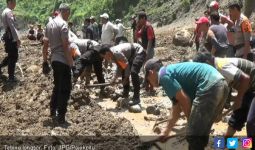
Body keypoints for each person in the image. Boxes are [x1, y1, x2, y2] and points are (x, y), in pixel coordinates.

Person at [144, 58, 229, 150]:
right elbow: (176, 108)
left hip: (209, 85)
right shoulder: (169, 72)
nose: (150, 83)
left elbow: (185, 100)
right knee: (201, 132)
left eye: (147, 80)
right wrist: (166, 131)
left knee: (193, 135)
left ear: (151, 72)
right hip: (221, 83)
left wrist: (190, 124)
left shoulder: (163, 76)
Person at [193, 52, 255, 148]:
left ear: (207, 62)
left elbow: (245, 79)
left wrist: (238, 99)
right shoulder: (217, 69)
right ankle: (223, 144)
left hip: (251, 88)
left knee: (251, 123)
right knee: (235, 120)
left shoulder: (221, 65)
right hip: (248, 89)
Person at [42, 3, 73, 124]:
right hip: (63, 60)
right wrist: (71, 63)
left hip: (54, 60)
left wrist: (45, 61)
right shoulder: (63, 24)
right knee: (65, 88)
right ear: (65, 12)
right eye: (68, 14)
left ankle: (52, 109)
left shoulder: (49, 24)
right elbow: (65, 46)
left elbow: (45, 45)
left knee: (57, 86)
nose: (68, 17)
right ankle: (61, 116)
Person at [99, 43, 146, 109]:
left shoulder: (116, 53)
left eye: (104, 57)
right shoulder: (112, 56)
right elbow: (120, 67)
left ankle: (136, 97)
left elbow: (126, 66)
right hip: (131, 56)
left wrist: (126, 78)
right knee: (124, 71)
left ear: (107, 53)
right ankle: (125, 94)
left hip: (139, 52)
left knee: (133, 72)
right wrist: (114, 79)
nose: (104, 59)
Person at [0, 0, 21, 82]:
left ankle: (1, 66)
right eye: (14, 2)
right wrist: (17, 39)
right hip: (11, 37)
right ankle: (11, 77)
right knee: (13, 57)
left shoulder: (4, 11)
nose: (15, 4)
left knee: (11, 55)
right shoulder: (9, 12)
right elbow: (12, 27)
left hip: (8, 37)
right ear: (10, 2)